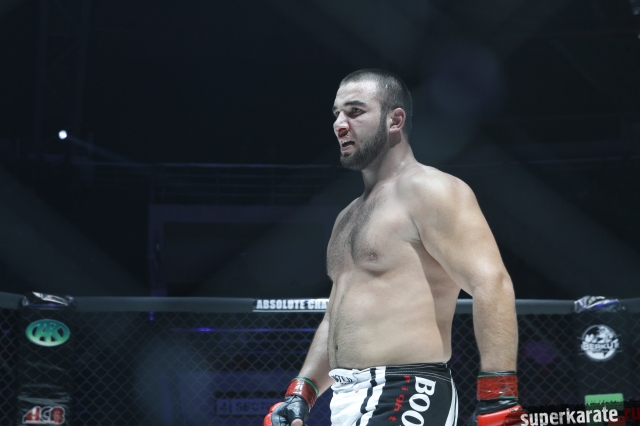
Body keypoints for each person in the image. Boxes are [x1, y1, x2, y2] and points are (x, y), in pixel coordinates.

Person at [265, 69, 521, 426]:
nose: (340, 125)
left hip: (408, 389)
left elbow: (491, 283)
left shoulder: (431, 190)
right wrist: (301, 393)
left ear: (394, 120)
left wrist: (499, 395)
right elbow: (336, 318)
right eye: (336, 114)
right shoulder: (346, 217)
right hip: (345, 397)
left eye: (355, 111)